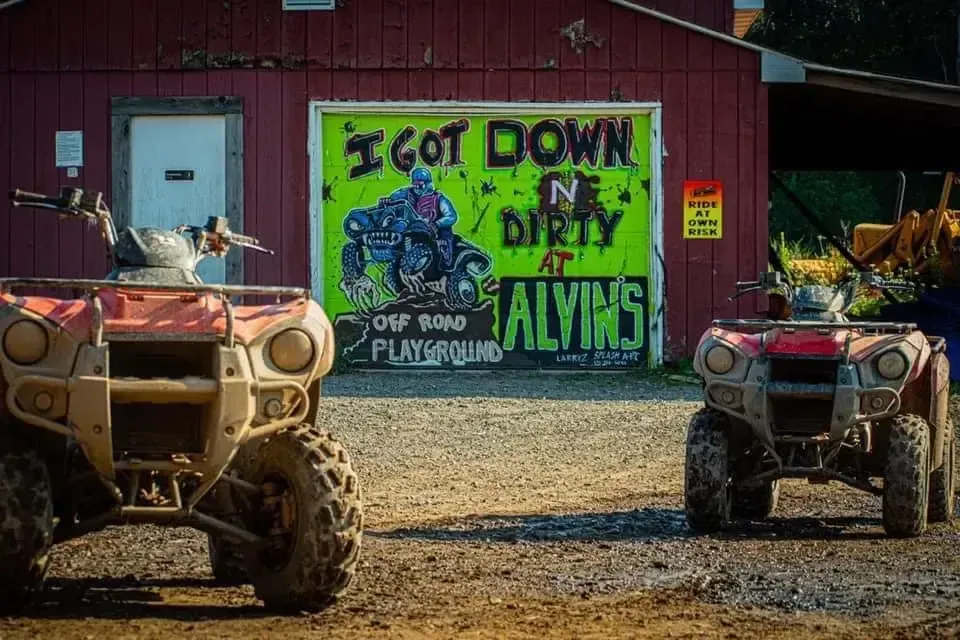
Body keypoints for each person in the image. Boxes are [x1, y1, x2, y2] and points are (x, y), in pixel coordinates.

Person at [383, 167, 458, 268]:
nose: (417, 188)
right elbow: (392, 199)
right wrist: (387, 201)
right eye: (415, 185)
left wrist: (437, 224)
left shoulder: (438, 198)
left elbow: (451, 216)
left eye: (421, 185)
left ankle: (445, 260)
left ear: (427, 184)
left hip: (432, 232)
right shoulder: (406, 193)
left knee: (445, 237)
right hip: (410, 229)